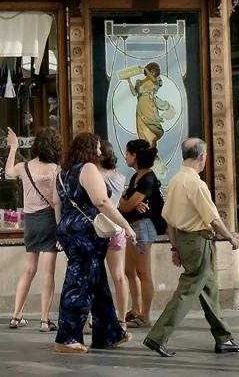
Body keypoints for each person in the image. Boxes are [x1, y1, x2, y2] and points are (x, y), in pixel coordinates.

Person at [143, 138, 239, 358]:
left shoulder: (176, 180)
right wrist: (231, 238)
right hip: (199, 243)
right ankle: (157, 336)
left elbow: (169, 221)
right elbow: (214, 220)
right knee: (187, 291)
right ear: (202, 157)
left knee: (209, 291)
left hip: (186, 242)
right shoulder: (196, 183)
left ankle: (223, 338)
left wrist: (175, 248)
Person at [52, 132, 137, 353]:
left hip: (70, 228)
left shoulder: (63, 172)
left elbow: (55, 202)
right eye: (97, 147)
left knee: (96, 282)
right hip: (87, 232)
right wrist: (125, 225)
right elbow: (102, 201)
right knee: (78, 284)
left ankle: (108, 333)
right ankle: (67, 338)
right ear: (90, 148)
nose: (100, 151)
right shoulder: (87, 168)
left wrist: (62, 232)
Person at [4, 126, 61, 331]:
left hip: (30, 221)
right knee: (48, 274)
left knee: (28, 269)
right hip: (49, 219)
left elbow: (8, 172)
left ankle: (16, 315)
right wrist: (60, 227)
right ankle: (44, 320)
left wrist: (14, 147)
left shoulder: (24, 167)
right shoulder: (55, 170)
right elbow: (56, 202)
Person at [119, 139, 159, 327]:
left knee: (143, 272)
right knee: (129, 270)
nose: (125, 157)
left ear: (135, 156)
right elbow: (126, 203)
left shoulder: (148, 179)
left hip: (142, 227)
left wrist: (126, 202)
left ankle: (145, 315)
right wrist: (127, 201)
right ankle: (134, 310)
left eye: (128, 153)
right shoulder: (137, 177)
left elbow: (126, 206)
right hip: (133, 226)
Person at [99, 145, 129, 325]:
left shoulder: (94, 176)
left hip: (98, 227)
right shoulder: (121, 177)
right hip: (117, 227)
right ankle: (122, 318)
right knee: (119, 275)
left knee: (94, 275)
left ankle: (90, 319)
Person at [127, 62, 174, 149]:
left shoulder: (156, 81)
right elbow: (134, 93)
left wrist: (145, 69)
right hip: (141, 107)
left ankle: (151, 149)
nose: (152, 73)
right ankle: (144, 149)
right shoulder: (139, 82)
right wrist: (129, 81)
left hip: (150, 107)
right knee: (142, 129)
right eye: (150, 71)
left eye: (153, 72)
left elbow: (153, 80)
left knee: (152, 128)